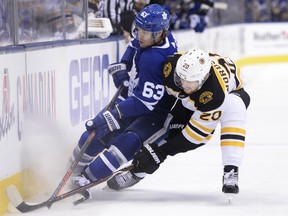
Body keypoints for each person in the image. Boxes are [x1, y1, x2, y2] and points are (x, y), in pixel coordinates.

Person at [69, 4, 178, 201]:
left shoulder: (155, 58)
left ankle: (85, 179)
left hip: (154, 111)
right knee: (95, 132)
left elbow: (144, 104)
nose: (139, 35)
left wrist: (113, 114)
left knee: (124, 144)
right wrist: (124, 65)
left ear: (160, 32)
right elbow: (134, 45)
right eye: (138, 29)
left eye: (146, 32)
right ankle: (71, 170)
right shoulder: (154, 38)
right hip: (135, 97)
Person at [107, 47, 250, 196]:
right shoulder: (171, 67)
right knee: (172, 129)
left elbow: (195, 137)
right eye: (181, 78)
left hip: (233, 93)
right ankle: (139, 168)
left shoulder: (214, 94)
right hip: (195, 97)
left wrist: (163, 152)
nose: (184, 84)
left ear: (203, 78)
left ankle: (231, 171)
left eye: (190, 82)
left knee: (235, 107)